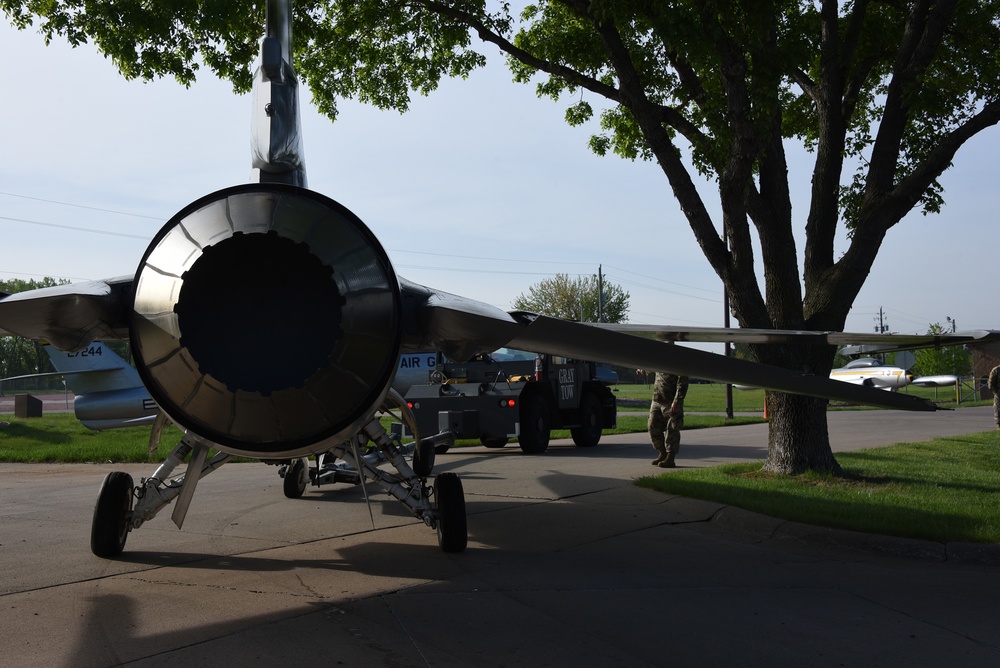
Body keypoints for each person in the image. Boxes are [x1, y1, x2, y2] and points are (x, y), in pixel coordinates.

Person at [646, 370, 689, 468]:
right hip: (657, 399)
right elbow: (650, 368)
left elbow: (683, 380)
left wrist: (677, 401)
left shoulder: (675, 360)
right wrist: (644, 370)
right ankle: (662, 453)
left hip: (671, 401)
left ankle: (670, 457)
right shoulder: (659, 359)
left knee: (672, 428)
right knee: (652, 426)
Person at [989, 364, 1000, 430]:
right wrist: (996, 392)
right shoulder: (996, 370)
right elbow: (991, 383)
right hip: (998, 392)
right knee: (998, 408)